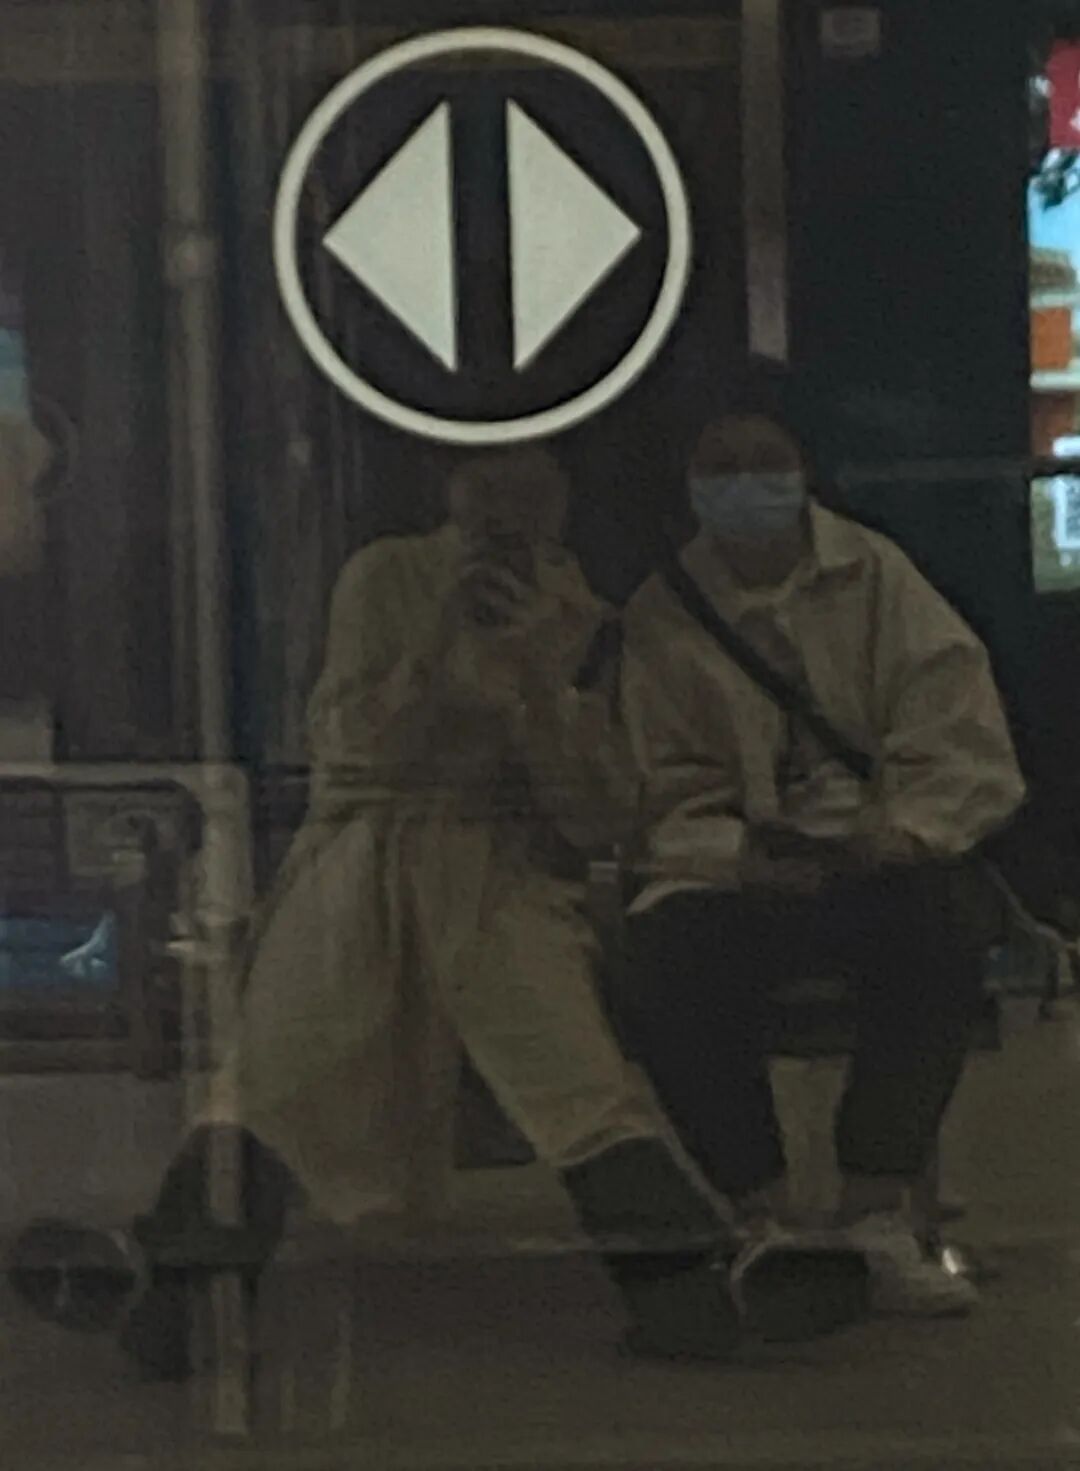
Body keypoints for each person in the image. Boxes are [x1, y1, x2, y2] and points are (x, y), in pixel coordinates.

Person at [12, 447, 769, 1371]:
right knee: (279, 1070)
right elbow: (351, 741)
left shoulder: (586, 617)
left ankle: (686, 1289)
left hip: (494, 869)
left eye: (531, 494)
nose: (508, 515)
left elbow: (598, 809)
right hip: (364, 854)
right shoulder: (385, 578)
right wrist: (438, 649)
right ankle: (176, 1291)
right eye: (489, 491)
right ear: (451, 492)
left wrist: (538, 686)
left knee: (570, 1073)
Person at [617, 386, 1026, 1318]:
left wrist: (902, 832)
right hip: (738, 866)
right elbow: (658, 787)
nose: (745, 483)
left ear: (804, 467)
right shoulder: (662, 611)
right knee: (668, 958)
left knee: (940, 928)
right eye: (720, 466)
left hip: (875, 854)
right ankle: (761, 1215)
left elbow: (957, 730)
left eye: (764, 460)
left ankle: (876, 1206)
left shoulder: (878, 577)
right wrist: (736, 854)